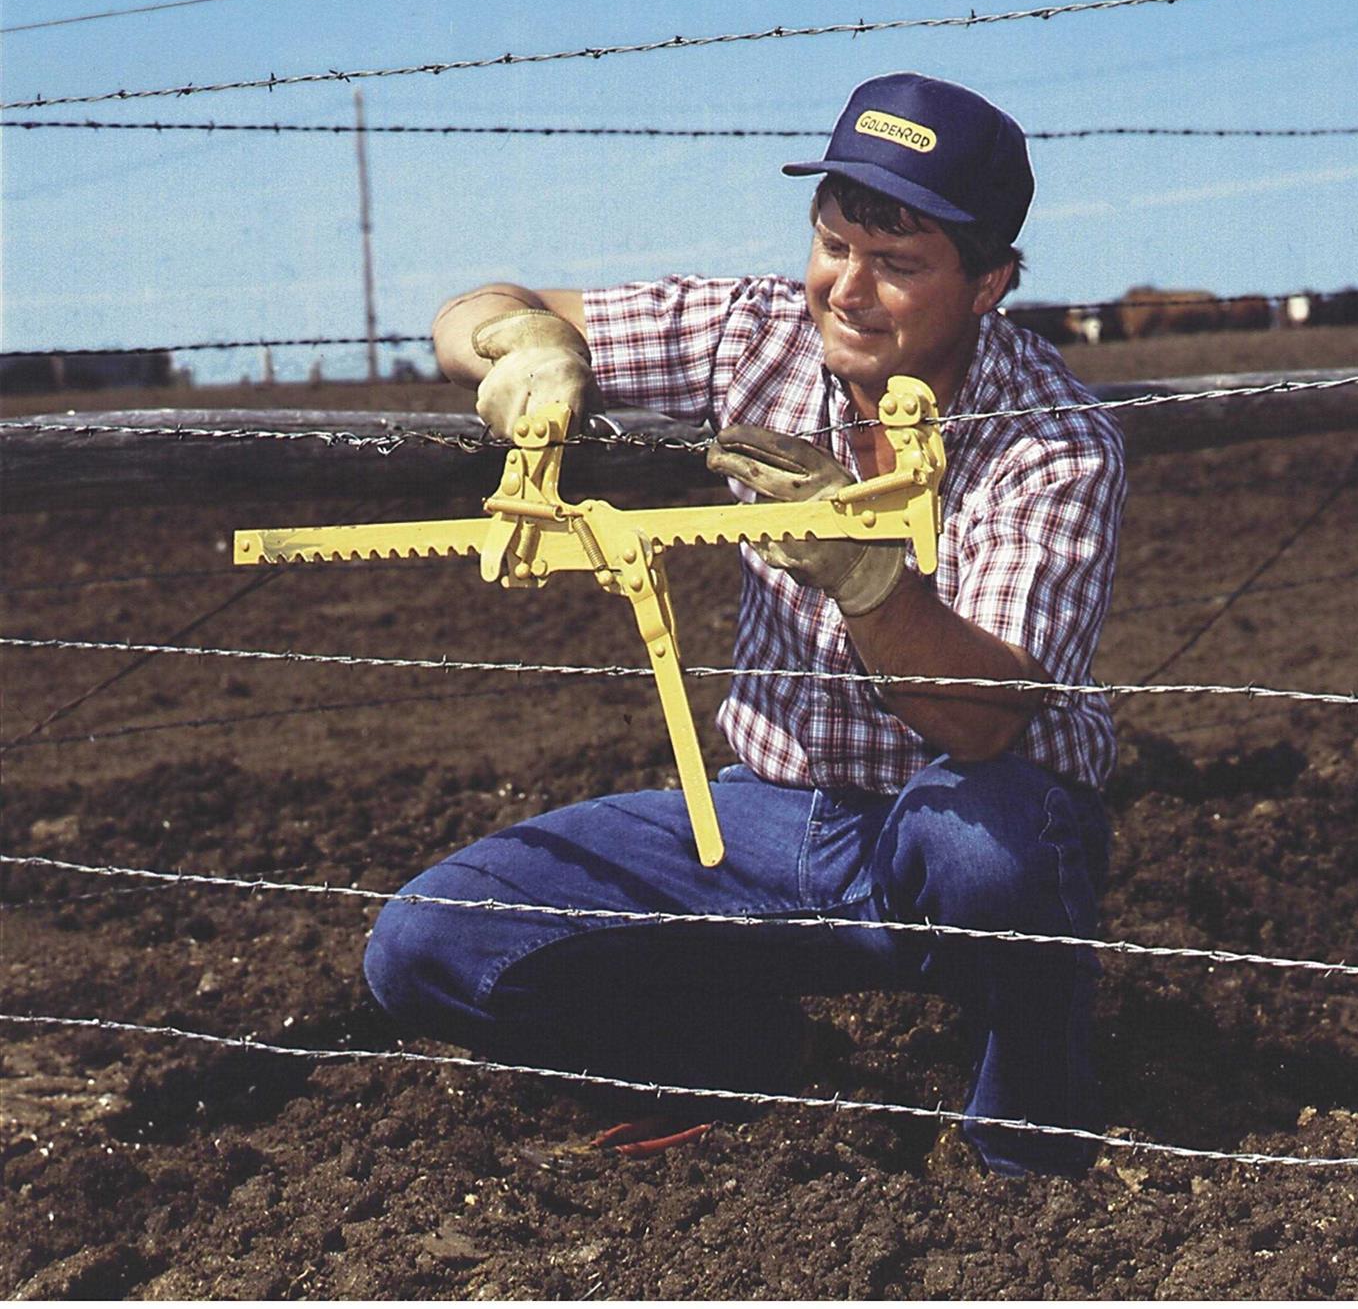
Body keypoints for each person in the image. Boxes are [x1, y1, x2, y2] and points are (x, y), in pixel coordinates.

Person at [364, 72, 1127, 1177]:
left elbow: (980, 724)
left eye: (899, 265)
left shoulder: (1054, 438)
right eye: (832, 246)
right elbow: (473, 308)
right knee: (428, 945)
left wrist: (870, 582)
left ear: (988, 286)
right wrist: (524, 346)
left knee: (991, 852)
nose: (847, 291)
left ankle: (1030, 1130)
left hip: (949, 818)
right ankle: (728, 1057)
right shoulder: (753, 334)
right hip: (764, 821)